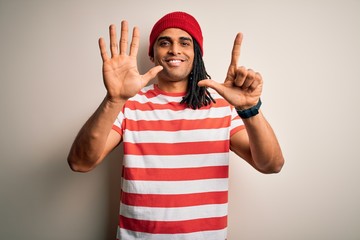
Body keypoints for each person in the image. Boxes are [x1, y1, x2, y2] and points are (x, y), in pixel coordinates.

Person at [68, 11, 284, 240]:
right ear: (152, 55)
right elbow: (80, 162)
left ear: (196, 54)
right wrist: (114, 99)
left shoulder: (222, 106)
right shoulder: (129, 104)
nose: (174, 49)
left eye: (184, 42)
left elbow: (271, 165)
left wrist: (249, 109)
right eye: (164, 42)